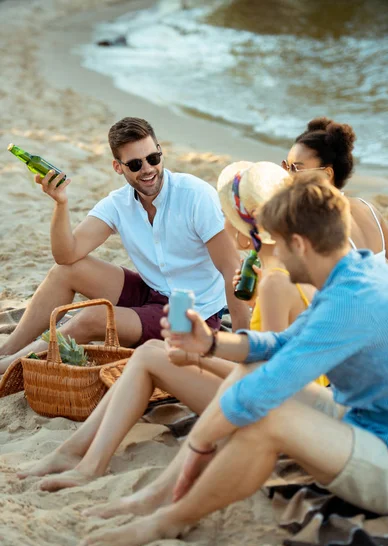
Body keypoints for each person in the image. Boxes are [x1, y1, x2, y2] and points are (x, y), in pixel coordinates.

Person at [76, 171, 388, 546]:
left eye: (280, 243)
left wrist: (199, 444)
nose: (274, 251)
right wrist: (212, 343)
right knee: (251, 371)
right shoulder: (360, 270)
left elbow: (258, 396)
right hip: (368, 422)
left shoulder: (351, 303)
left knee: (266, 417)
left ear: (299, 243)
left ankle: (169, 517)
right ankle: (159, 496)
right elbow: (281, 344)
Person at [18, 161, 309, 490]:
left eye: (227, 218)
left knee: (151, 355)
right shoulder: (280, 270)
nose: (223, 227)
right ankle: (78, 457)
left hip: (277, 407)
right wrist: (210, 348)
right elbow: (263, 348)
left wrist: (206, 352)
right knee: (155, 353)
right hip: (287, 394)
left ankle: (83, 461)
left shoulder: (273, 282)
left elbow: (262, 373)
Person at [0, 117, 249, 373]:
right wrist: (61, 204)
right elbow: (66, 254)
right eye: (135, 164)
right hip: (151, 293)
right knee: (66, 271)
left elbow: (232, 269)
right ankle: (7, 350)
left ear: (160, 151)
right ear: (118, 167)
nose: (148, 169)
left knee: (92, 318)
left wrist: (242, 345)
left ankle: (9, 367)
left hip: (191, 315)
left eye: (153, 158)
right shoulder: (118, 204)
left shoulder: (195, 195)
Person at [282, 117, 388, 270]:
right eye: (286, 166)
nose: (287, 175)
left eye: (296, 168)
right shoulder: (368, 209)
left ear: (327, 173)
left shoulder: (315, 223)